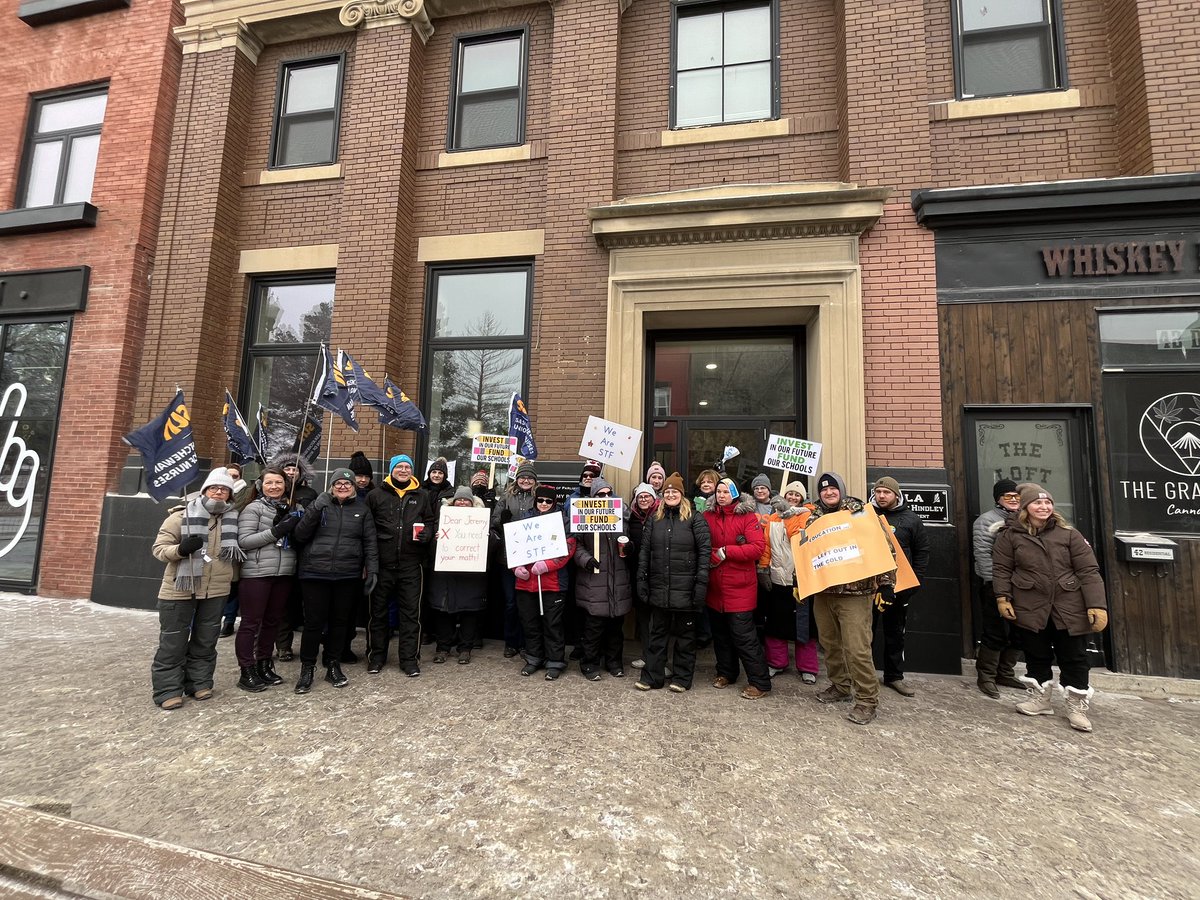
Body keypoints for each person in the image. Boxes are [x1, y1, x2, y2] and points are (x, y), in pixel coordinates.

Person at [991, 484, 1108, 732]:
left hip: (1069, 605)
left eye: (1048, 503)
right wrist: (1003, 597)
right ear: (1026, 508)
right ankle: (1040, 699)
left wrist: (1097, 604)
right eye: (1037, 503)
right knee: (1036, 653)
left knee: (1074, 656)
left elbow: (1088, 571)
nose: (1044, 507)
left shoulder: (1069, 535)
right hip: (1030, 603)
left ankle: (1076, 707)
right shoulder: (1010, 536)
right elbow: (1001, 569)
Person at [808, 472, 896, 726]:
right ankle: (840, 686)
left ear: (841, 490)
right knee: (829, 643)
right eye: (824, 490)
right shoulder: (814, 516)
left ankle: (867, 700)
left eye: (833, 488)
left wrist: (887, 584)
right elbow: (807, 551)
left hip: (856, 592)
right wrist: (798, 581)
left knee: (857, 648)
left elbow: (883, 546)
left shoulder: (859, 511)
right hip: (824, 592)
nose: (828, 493)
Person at [149, 469, 242, 709]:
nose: (219, 492)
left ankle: (199, 682)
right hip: (179, 589)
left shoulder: (232, 518)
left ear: (230, 495)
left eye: (225, 489)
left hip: (216, 589)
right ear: (204, 490)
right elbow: (159, 549)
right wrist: (180, 550)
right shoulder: (181, 516)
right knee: (173, 642)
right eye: (214, 488)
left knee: (206, 639)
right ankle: (168, 689)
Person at [292, 469, 378, 694]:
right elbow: (299, 535)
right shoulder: (319, 505)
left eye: (347, 483)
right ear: (331, 485)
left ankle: (333, 664)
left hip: (347, 574)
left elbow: (370, 544)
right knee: (313, 624)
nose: (342, 486)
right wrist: (316, 508)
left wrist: (373, 571)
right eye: (338, 483)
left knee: (340, 623)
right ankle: (307, 668)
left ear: (354, 487)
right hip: (315, 574)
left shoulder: (362, 510)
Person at [635, 472, 710, 692]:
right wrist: (642, 580)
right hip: (660, 588)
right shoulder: (654, 520)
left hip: (686, 589)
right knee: (657, 636)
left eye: (674, 491)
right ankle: (652, 677)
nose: (670, 494)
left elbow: (704, 553)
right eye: (667, 491)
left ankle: (682, 679)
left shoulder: (695, 519)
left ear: (682, 495)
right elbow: (644, 553)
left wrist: (700, 585)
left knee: (685, 638)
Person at [234, 465, 303, 692]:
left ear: (286, 485)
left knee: (272, 622)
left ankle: (264, 664)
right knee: (251, 623)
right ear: (261, 486)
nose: (274, 487)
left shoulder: (294, 507)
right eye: (269, 483)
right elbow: (244, 541)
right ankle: (247, 670)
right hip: (257, 573)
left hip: (283, 572)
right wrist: (276, 531)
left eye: (278, 483)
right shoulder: (253, 509)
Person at [365, 454, 434, 676]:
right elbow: (367, 528)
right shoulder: (375, 495)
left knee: (411, 615)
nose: (403, 470)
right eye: (399, 467)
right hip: (382, 565)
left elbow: (430, 521)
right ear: (391, 469)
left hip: (411, 565)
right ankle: (376, 657)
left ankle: (409, 660)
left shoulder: (422, 495)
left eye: (407, 467)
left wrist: (428, 534)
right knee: (378, 614)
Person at [704, 477, 770, 700]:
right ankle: (726, 672)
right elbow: (703, 544)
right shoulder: (708, 515)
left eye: (726, 491)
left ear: (734, 494)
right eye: (718, 491)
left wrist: (726, 551)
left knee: (744, 637)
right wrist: (712, 554)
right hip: (715, 587)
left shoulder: (747, 516)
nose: (721, 495)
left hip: (740, 588)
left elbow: (757, 549)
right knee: (721, 636)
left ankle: (759, 682)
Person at [870, 475, 930, 697]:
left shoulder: (911, 519)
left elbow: (922, 552)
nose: (882, 496)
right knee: (865, 633)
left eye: (886, 492)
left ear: (896, 494)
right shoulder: (867, 515)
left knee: (895, 633)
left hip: (900, 585)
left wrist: (916, 581)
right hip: (870, 585)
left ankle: (894, 676)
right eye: (878, 492)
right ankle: (864, 675)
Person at [572, 477, 633, 680]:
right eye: (600, 494)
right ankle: (589, 664)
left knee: (616, 627)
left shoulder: (621, 516)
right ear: (593, 497)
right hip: (594, 581)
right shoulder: (583, 516)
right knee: (593, 628)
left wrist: (629, 547)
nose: (606, 497)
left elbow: (629, 541)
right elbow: (575, 544)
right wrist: (586, 560)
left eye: (608, 493)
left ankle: (614, 662)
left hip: (617, 581)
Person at [513, 484, 575, 680]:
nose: (544, 504)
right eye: (540, 500)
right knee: (529, 623)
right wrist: (516, 567)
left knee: (552, 623)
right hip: (526, 582)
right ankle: (533, 658)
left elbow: (569, 547)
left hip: (553, 582)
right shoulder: (524, 519)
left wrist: (548, 565)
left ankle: (555, 660)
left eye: (548, 501)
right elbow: (513, 545)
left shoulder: (563, 521)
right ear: (535, 500)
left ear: (554, 502)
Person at [759, 481, 819, 683]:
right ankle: (776, 662)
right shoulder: (772, 518)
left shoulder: (807, 515)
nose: (792, 497)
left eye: (796, 494)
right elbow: (767, 546)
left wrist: (789, 515)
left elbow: (799, 538)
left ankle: (808, 667)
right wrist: (763, 568)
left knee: (804, 626)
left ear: (802, 497)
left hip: (800, 580)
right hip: (777, 578)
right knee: (776, 624)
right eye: (789, 494)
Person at [972, 478, 1026, 697]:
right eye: (1008, 496)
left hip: (1023, 586)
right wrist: (993, 584)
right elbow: (983, 554)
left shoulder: (1026, 520)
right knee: (995, 630)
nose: (1013, 500)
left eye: (1016, 496)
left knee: (1020, 630)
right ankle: (986, 675)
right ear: (998, 499)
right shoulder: (987, 521)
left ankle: (1005, 671)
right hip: (995, 585)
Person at [428, 486, 492, 665]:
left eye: (466, 500)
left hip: (471, 575)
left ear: (472, 503)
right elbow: (430, 550)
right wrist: (435, 540)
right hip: (446, 576)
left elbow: (494, 546)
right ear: (453, 502)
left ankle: (465, 649)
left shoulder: (482, 521)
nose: (462, 502)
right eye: (459, 500)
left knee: (469, 614)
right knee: (444, 613)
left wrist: (488, 537)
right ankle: (442, 648)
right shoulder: (442, 519)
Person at [269, 451, 318, 660]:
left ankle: (284, 646)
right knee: (272, 604)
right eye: (287, 469)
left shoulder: (309, 494)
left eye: (294, 469)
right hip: (272, 552)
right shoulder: (269, 493)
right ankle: (262, 644)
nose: (291, 472)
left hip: (299, 552)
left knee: (289, 602)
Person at [492, 460, 538, 657]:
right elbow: (494, 522)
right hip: (508, 558)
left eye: (529, 477)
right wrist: (502, 520)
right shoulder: (506, 496)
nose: (525, 480)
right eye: (522, 477)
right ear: (517, 479)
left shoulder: (539, 497)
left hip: (532, 558)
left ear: (534, 480)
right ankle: (511, 642)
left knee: (528, 604)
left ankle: (528, 643)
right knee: (511, 602)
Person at [219, 462, 255, 637]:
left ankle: (229, 620)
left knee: (233, 584)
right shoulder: (214, 491)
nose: (231, 479)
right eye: (228, 475)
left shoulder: (246, 493)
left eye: (235, 476)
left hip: (235, 544)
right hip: (213, 546)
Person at [627, 482, 659, 669]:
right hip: (637, 573)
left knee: (658, 620)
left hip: (657, 574)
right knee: (643, 618)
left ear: (654, 498)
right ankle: (647, 656)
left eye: (647, 496)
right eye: (640, 496)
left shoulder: (661, 515)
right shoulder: (631, 518)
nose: (644, 499)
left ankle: (657, 659)